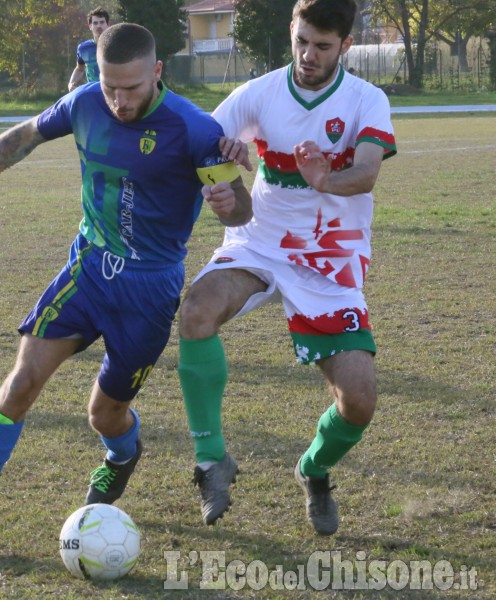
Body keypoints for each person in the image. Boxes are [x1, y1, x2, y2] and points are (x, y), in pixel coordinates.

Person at [0, 23, 253, 556]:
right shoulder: (84, 103)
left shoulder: (195, 129)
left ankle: (122, 454)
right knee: (23, 378)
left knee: (104, 415)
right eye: (109, 87)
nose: (119, 101)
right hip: (89, 270)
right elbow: (22, 137)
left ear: (157, 72)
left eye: (132, 88)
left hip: (150, 290)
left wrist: (229, 202)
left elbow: (241, 205)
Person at [178, 0, 397, 534]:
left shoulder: (367, 99)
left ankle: (313, 470)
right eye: (302, 41)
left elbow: (366, 172)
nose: (308, 55)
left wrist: (324, 180)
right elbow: (200, 143)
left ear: (345, 45)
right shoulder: (260, 92)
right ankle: (212, 461)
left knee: (359, 402)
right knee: (195, 312)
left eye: (322, 46)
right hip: (261, 242)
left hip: (329, 258)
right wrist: (227, 170)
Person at [67, 7, 110, 91]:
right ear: (90, 26)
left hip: (113, 91)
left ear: (108, 24)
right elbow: (79, 69)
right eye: (95, 23)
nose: (99, 26)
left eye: (102, 22)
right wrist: (71, 83)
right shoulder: (83, 48)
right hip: (93, 91)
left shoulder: (116, 45)